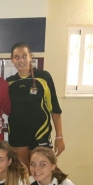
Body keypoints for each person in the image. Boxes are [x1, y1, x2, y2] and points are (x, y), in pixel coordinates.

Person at [7, 42, 65, 170]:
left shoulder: (43, 77)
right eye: (16, 57)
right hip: (17, 135)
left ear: (30, 57)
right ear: (12, 60)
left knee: (43, 173)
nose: (21, 60)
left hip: (40, 133)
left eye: (24, 56)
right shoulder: (9, 82)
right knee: (23, 174)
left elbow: (54, 108)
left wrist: (59, 137)